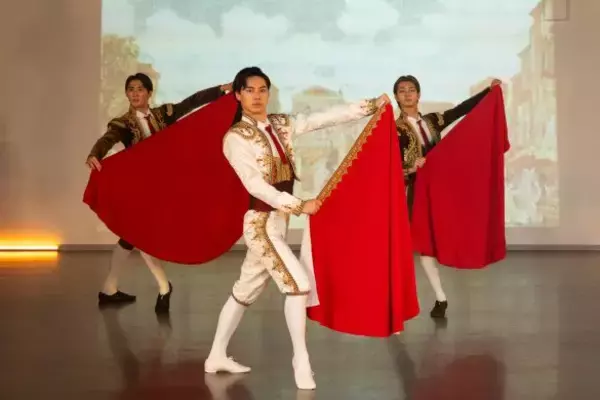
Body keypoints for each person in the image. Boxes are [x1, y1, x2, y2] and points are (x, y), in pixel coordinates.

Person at [204, 66, 388, 390]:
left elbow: (321, 119)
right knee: (300, 286)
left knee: (244, 291)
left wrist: (367, 106)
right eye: (250, 90)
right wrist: (300, 205)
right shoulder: (235, 138)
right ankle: (301, 361)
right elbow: (255, 185)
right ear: (238, 95)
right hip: (260, 224)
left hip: (279, 223)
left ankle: (215, 355)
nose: (257, 96)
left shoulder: (280, 124)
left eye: (262, 90)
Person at [86, 72, 232, 313]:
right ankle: (164, 287)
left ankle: (109, 288)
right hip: (140, 187)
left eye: (139, 89)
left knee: (131, 236)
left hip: (163, 186)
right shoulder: (122, 123)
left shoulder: (164, 114)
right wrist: (95, 153)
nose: (135, 93)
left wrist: (219, 91)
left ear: (149, 93)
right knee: (139, 235)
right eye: (131, 89)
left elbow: (191, 102)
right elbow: (107, 139)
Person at [393, 75, 501, 319]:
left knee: (443, 234)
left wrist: (487, 92)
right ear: (396, 97)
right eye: (402, 90)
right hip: (417, 190)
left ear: (419, 94)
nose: (407, 94)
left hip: (440, 188)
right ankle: (440, 297)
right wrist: (410, 167)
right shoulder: (394, 130)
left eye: (411, 89)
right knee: (424, 245)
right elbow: (390, 164)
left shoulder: (433, 120)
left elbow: (460, 111)